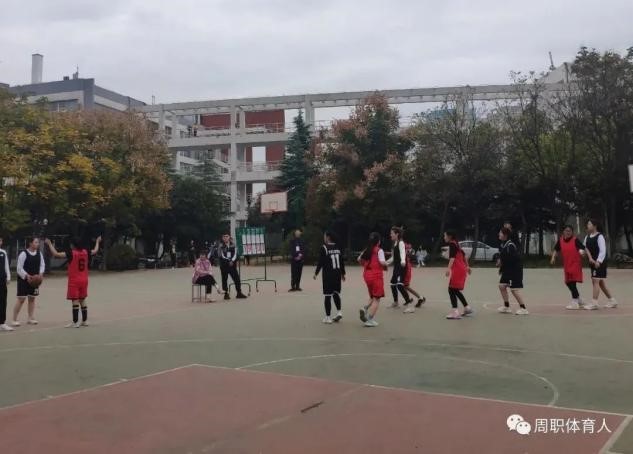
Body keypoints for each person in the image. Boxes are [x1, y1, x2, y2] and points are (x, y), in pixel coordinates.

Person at [45, 236, 101, 328]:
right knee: (82, 299)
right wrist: (97, 241)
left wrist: (50, 244)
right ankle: (84, 321)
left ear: (73, 245)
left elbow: (56, 254)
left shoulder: (71, 253)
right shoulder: (85, 252)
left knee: (75, 300)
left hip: (74, 280)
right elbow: (95, 250)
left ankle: (75, 322)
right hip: (84, 280)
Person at [584, 219, 617, 310]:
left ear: (595, 226)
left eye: (589, 224)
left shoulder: (600, 236)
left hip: (599, 263)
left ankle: (594, 303)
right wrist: (581, 252)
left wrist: (598, 261)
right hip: (592, 263)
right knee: (600, 283)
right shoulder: (587, 237)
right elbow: (584, 248)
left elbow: (603, 251)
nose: (587, 226)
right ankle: (612, 301)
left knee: (595, 281)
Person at [550, 225, 586, 310]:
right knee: (568, 282)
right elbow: (556, 249)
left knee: (572, 282)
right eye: (566, 230)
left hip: (575, 264)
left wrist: (582, 253)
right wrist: (553, 257)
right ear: (563, 231)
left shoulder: (575, 240)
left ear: (572, 232)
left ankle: (575, 302)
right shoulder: (561, 240)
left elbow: (583, 249)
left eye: (570, 231)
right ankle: (579, 300)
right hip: (567, 264)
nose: (568, 232)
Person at [12, 237, 45, 327]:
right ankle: (14, 319)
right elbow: (19, 268)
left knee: (32, 298)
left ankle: (30, 318)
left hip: (34, 280)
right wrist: (27, 276)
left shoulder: (39, 253)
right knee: (21, 299)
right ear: (30, 243)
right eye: (36, 242)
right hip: (24, 280)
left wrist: (40, 274)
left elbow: (42, 264)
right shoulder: (23, 254)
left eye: (38, 242)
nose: (38, 244)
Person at [314, 231, 345, 324]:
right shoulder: (337, 247)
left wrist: (316, 273)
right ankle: (339, 312)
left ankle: (328, 317)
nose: (324, 238)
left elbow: (321, 262)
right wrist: (343, 273)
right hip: (337, 274)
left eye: (324, 236)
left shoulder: (324, 248)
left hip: (328, 275)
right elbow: (341, 261)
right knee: (336, 293)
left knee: (327, 295)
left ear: (328, 237)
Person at [358, 232, 388, 327]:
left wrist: (364, 265)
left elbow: (359, 259)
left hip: (367, 275)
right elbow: (382, 262)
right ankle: (369, 319)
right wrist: (387, 264)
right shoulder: (379, 250)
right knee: (377, 298)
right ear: (378, 241)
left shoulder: (367, 249)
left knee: (372, 296)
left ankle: (365, 308)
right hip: (376, 276)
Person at [497, 227, 529, 315]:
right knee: (502, 286)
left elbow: (514, 260)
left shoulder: (510, 245)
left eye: (500, 233)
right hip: (508, 270)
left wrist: (503, 265)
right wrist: (501, 264)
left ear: (505, 235)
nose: (499, 234)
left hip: (514, 271)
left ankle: (523, 308)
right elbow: (504, 258)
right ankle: (506, 307)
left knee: (514, 290)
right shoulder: (503, 245)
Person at [444, 230, 472, 319]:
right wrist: (468, 266)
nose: (444, 237)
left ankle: (455, 312)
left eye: (445, 236)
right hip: (462, 269)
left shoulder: (452, 244)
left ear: (449, 236)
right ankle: (467, 308)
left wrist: (448, 269)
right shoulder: (457, 244)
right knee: (455, 290)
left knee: (451, 289)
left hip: (458, 270)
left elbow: (452, 258)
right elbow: (464, 256)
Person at [387, 226, 413, 309]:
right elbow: (393, 257)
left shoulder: (401, 243)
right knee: (392, 284)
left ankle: (410, 306)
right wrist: (386, 263)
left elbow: (403, 253)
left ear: (397, 234)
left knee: (400, 285)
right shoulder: (395, 243)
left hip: (402, 267)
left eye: (392, 233)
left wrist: (403, 261)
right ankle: (396, 302)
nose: (390, 235)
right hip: (396, 268)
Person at [219, 233, 247, 300]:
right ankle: (226, 294)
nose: (225, 238)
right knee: (224, 280)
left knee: (237, 279)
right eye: (224, 236)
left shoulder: (233, 245)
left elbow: (235, 254)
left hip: (232, 265)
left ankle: (239, 293)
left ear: (229, 237)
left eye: (227, 236)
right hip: (224, 265)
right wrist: (229, 261)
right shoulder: (220, 246)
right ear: (222, 238)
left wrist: (232, 260)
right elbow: (221, 255)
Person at [402, 241, 426, 314]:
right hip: (405, 268)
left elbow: (409, 253)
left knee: (405, 286)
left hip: (406, 269)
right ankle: (410, 299)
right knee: (403, 286)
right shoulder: (403, 246)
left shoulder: (404, 246)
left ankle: (420, 297)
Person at [0, 237, 12, 332]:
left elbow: (6, 266)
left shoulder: (3, 252)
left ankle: (2, 323)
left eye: (0, 240)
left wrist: (8, 277)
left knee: (3, 302)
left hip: (2, 281)